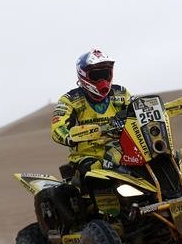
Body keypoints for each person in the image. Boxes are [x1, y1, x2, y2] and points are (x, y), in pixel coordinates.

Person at [51, 48, 132, 183]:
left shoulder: (121, 93)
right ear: (83, 75)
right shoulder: (70, 100)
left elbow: (137, 111)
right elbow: (57, 129)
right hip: (86, 156)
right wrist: (71, 136)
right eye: (96, 75)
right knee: (95, 174)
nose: (102, 80)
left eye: (105, 74)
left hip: (121, 150)